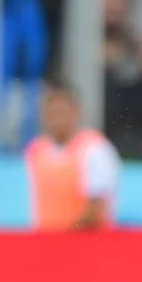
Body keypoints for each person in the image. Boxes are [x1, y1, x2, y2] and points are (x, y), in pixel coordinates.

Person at [24, 82, 120, 231]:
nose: (57, 119)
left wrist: (65, 237)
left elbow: (95, 208)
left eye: (62, 112)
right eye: (52, 113)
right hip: (46, 241)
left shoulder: (94, 149)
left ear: (76, 111)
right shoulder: (36, 151)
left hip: (83, 242)